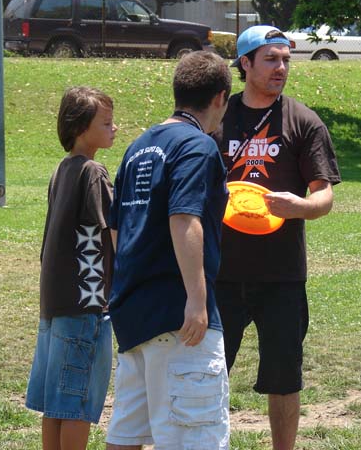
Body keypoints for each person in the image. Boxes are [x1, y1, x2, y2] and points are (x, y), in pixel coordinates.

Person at [211, 25, 341, 450]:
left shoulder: (304, 121)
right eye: (270, 59)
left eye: (286, 60)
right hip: (221, 272)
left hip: (282, 275)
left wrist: (300, 206)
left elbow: (324, 196)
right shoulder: (217, 117)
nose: (281, 68)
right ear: (245, 63)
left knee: (284, 379)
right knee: (207, 373)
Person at [105, 51, 232, 450]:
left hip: (135, 317)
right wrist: (196, 298)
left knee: (126, 436)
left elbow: (117, 229)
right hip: (180, 321)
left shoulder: (138, 147)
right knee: (196, 438)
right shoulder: (198, 146)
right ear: (220, 98)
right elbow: (184, 218)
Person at [25, 86, 117, 449]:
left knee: (56, 403)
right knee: (77, 404)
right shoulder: (93, 172)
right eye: (106, 123)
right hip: (86, 305)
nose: (114, 128)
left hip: (56, 304)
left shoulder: (62, 170)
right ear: (81, 129)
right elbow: (114, 231)